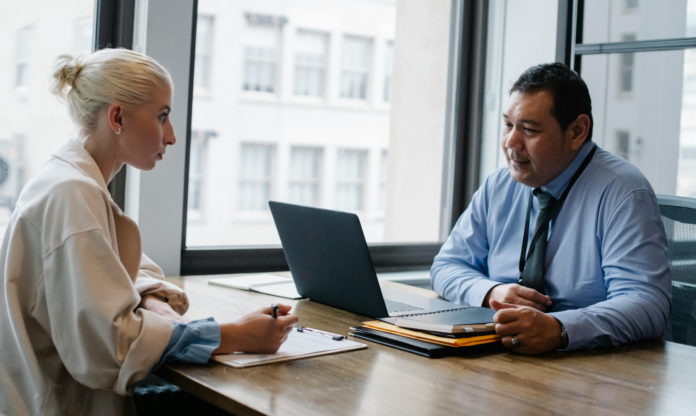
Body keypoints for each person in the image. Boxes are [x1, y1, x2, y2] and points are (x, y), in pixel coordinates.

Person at [0, 48, 299, 415]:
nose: (171, 136)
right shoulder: (71, 194)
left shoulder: (70, 180)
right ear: (117, 117)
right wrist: (235, 335)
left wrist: (152, 301)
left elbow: (124, 272)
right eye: (162, 117)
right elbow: (111, 347)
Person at [431, 62, 671, 354]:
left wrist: (560, 329)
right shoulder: (499, 185)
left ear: (577, 132)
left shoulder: (623, 192)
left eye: (529, 130)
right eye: (508, 125)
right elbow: (446, 266)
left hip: (591, 372)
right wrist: (491, 292)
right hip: (501, 357)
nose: (511, 143)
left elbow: (647, 304)